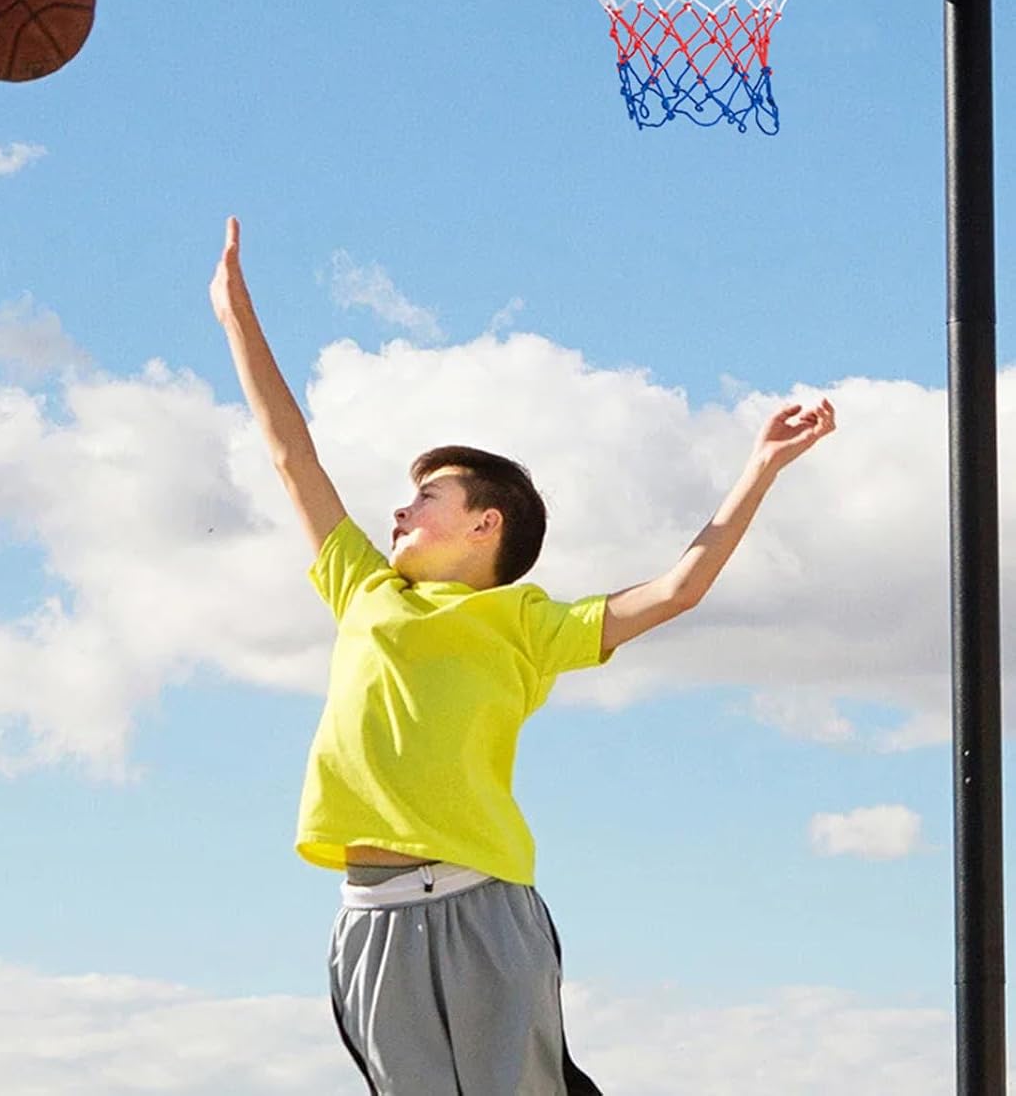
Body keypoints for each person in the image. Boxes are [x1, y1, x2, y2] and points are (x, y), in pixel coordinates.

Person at [209, 216, 836, 1096]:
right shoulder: (363, 588)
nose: (399, 511)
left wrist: (761, 467)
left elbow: (678, 589)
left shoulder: (524, 623)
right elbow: (289, 453)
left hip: (484, 906)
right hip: (372, 914)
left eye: (425, 496)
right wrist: (236, 314)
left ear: (483, 524)